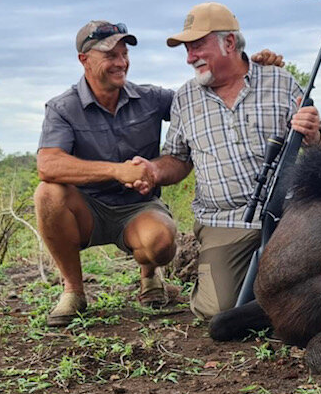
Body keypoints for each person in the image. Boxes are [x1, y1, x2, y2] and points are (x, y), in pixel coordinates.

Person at [35, 19, 284, 327]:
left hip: (139, 208)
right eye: (110, 56)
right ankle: (73, 290)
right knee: (47, 193)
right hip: (88, 209)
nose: (121, 62)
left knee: (161, 242)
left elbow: (204, 94)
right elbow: (48, 164)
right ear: (84, 60)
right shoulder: (62, 107)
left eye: (124, 54)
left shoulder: (152, 98)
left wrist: (248, 66)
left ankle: (150, 274)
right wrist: (116, 171)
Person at [128, 2, 321, 320]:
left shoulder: (280, 81)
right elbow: (178, 160)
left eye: (197, 46)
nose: (189, 57)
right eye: (186, 49)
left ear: (229, 42)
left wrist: (313, 135)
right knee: (220, 311)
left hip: (288, 216)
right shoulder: (185, 98)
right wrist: (154, 170)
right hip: (225, 222)